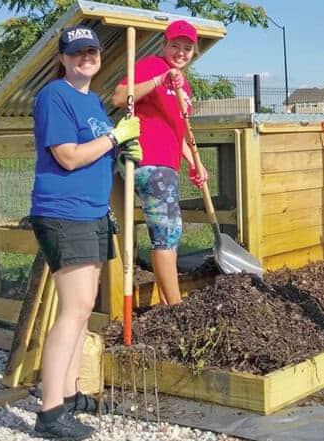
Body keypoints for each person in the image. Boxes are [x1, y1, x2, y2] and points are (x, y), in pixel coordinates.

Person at [30, 25, 141, 439]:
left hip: (93, 213)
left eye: (91, 51)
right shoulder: (54, 97)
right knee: (73, 310)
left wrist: (122, 150)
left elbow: (96, 153)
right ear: (62, 59)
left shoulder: (92, 101)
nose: (86, 58)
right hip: (64, 213)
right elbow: (68, 157)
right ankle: (50, 412)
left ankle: (71, 393)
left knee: (83, 307)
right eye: (77, 53)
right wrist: (114, 136)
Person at [112, 19, 206, 306]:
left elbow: (177, 132)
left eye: (187, 48)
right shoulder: (152, 66)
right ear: (165, 45)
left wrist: (194, 162)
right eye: (175, 45)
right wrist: (158, 81)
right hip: (149, 161)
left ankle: (168, 304)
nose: (180, 52)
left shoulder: (184, 84)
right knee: (166, 234)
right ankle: (177, 309)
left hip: (167, 164)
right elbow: (118, 97)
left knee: (170, 234)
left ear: (193, 51)